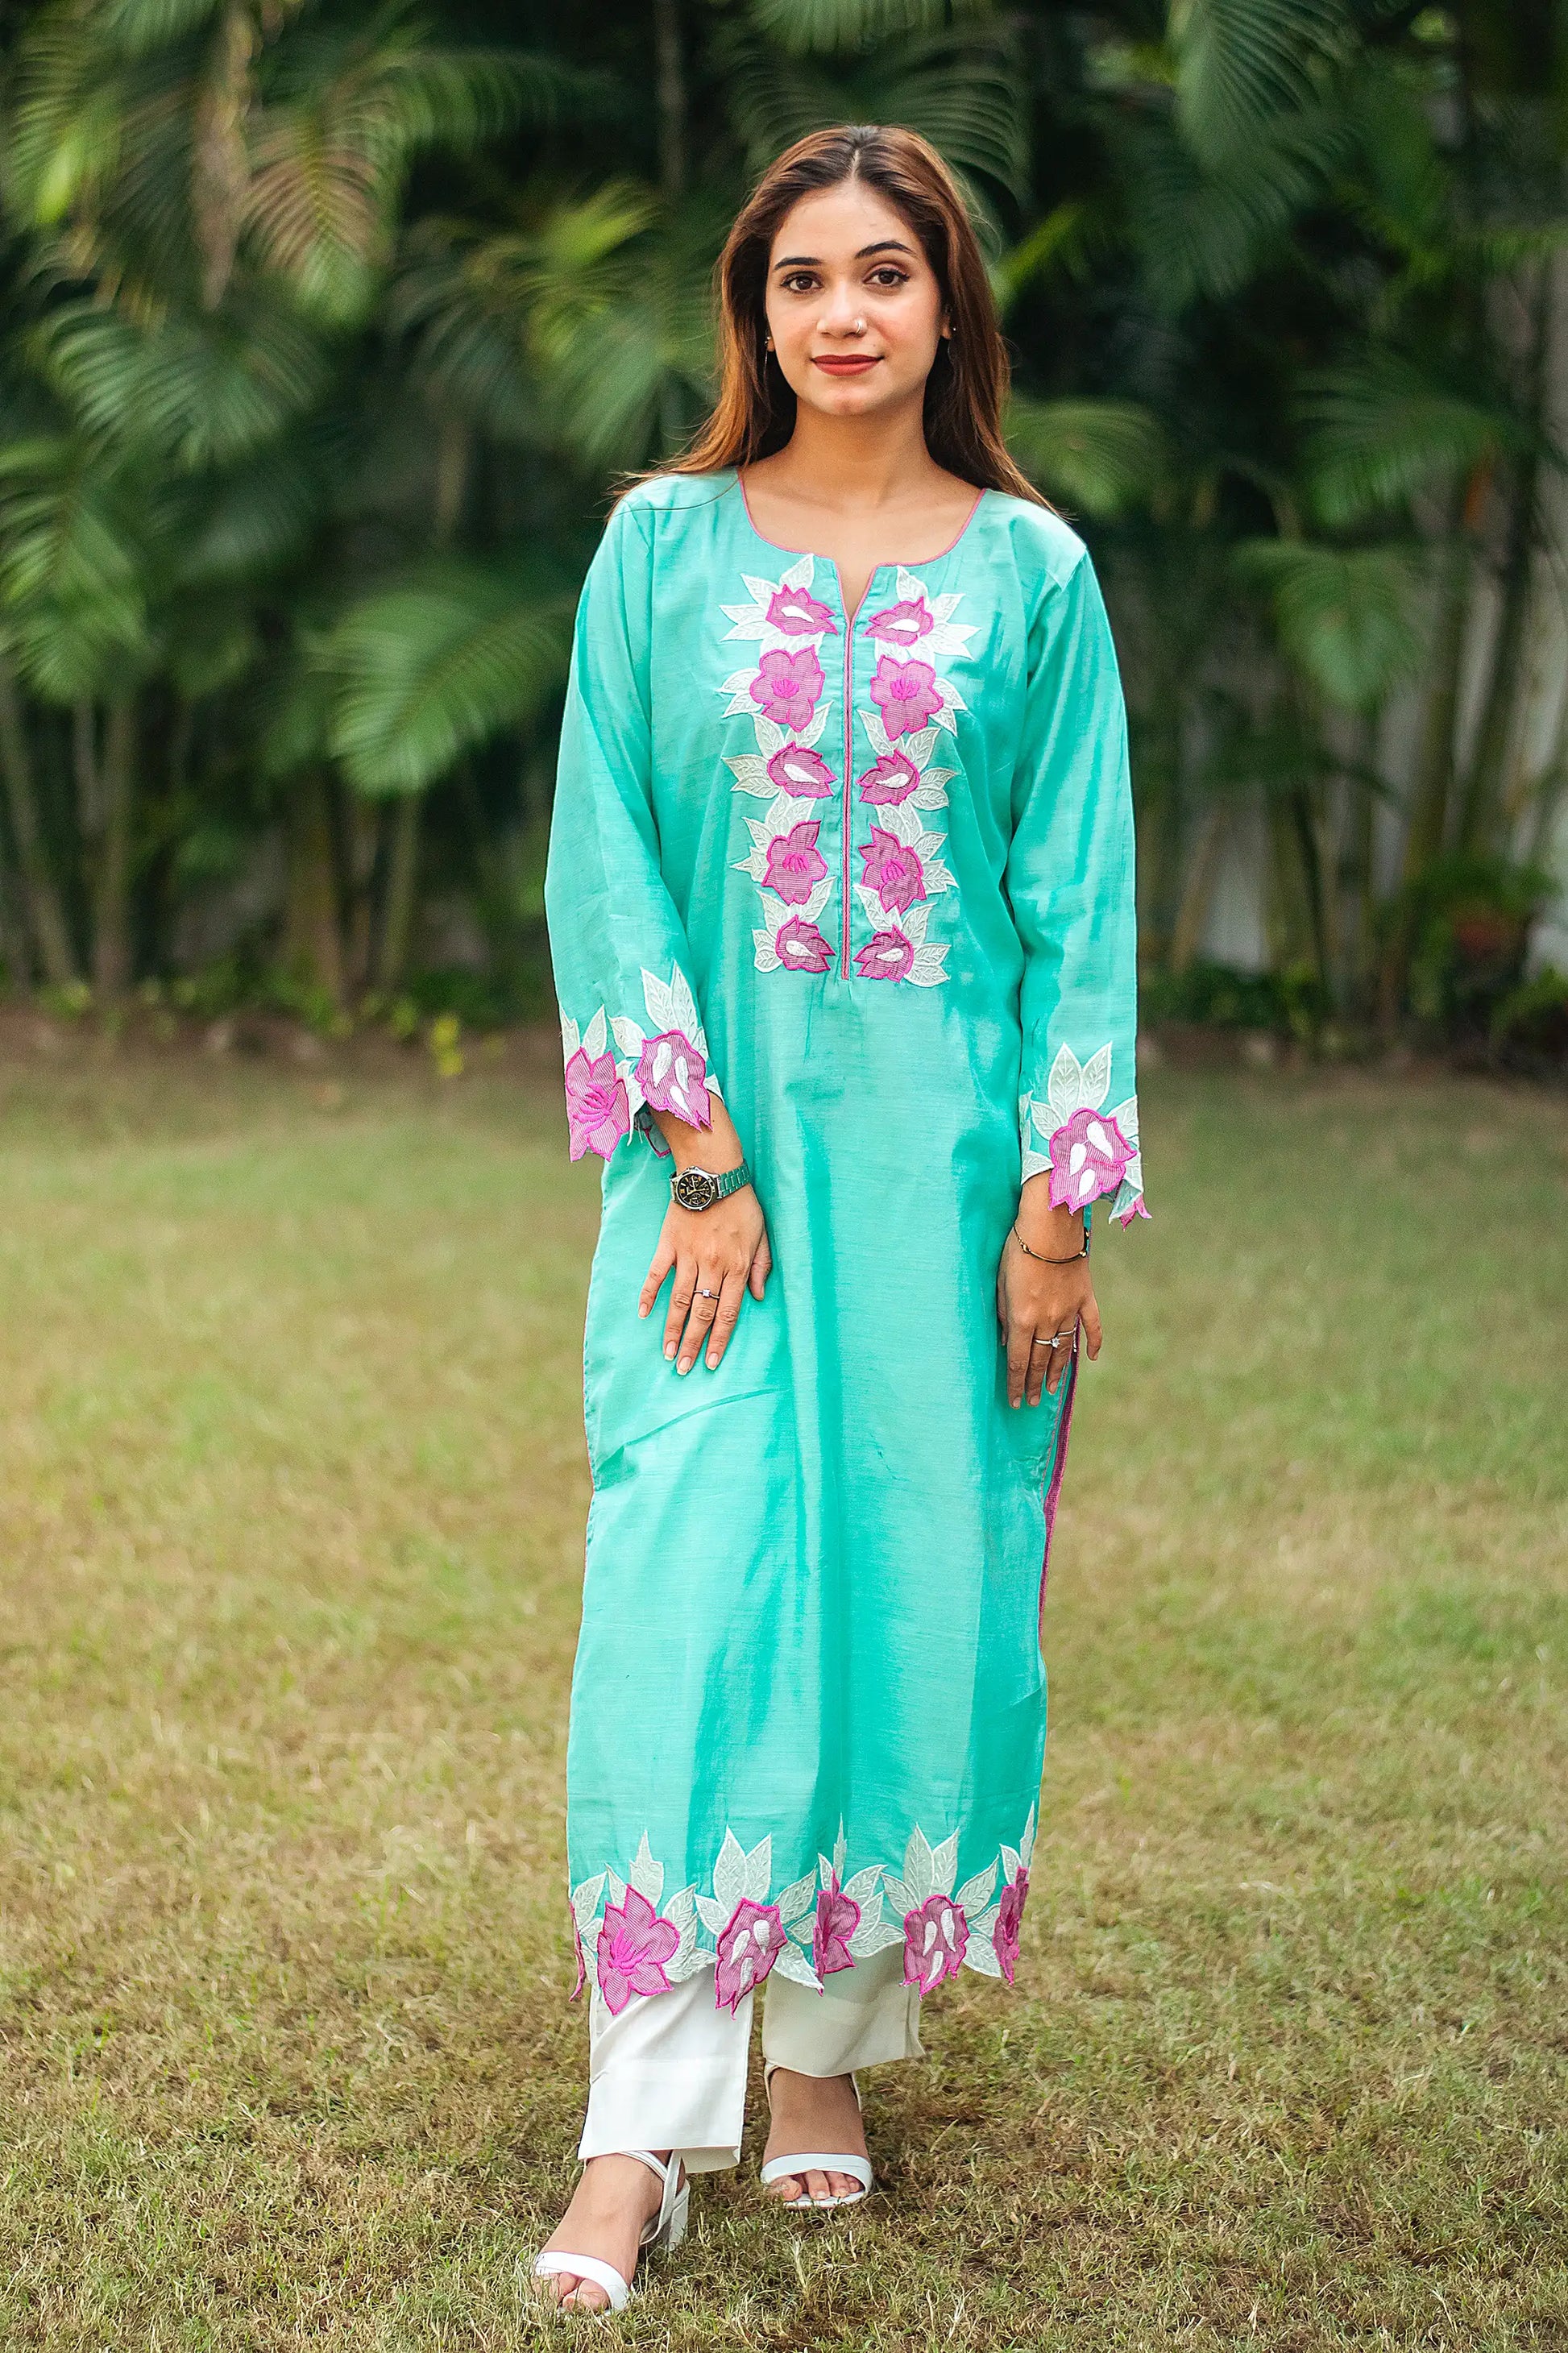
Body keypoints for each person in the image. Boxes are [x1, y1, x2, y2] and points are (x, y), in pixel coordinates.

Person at [535, 121, 1143, 2314]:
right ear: (755, 312)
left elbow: (1078, 899)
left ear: (945, 304)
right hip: (719, 1194)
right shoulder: (662, 552)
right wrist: (696, 1154)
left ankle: (820, 2068)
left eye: (884, 271)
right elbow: (602, 847)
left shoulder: (1032, 576)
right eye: (804, 279)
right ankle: (636, 2132)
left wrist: (1055, 1218)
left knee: (913, 1598)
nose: (845, 312)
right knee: (688, 1598)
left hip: (951, 1188)